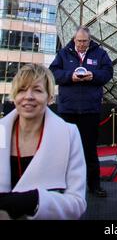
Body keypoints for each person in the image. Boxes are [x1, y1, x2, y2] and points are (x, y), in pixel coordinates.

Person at [0, 63, 87, 220]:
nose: (29, 96)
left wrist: (36, 201)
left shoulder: (69, 134)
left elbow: (77, 203)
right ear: (14, 96)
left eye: (38, 90)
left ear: (50, 98)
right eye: (21, 90)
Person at [49, 26, 113, 198]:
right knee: (65, 149)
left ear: (89, 40)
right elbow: (53, 72)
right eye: (79, 41)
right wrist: (70, 76)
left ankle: (94, 186)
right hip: (68, 109)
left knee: (90, 149)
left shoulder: (100, 54)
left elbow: (108, 72)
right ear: (74, 39)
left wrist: (94, 76)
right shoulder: (64, 53)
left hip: (90, 109)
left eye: (85, 41)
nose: (82, 44)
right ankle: (62, 186)